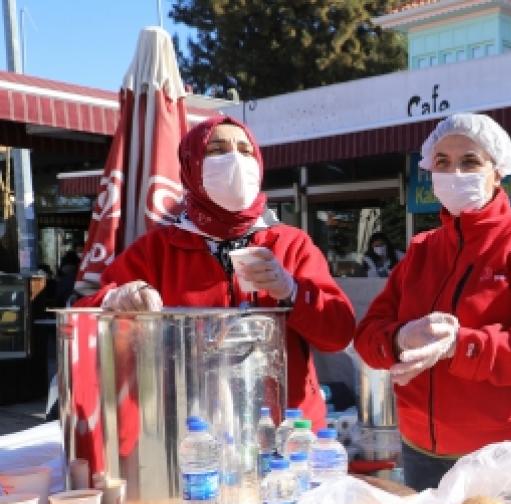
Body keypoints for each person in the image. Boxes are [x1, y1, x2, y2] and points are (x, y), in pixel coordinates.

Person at [79, 115, 356, 427]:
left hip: (287, 431)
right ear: (192, 164)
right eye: (217, 150)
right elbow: (86, 315)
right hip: (190, 431)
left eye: (245, 150)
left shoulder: (291, 244)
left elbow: (339, 333)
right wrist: (116, 300)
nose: (235, 159)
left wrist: (292, 291)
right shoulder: (156, 250)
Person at [354, 113, 511, 491]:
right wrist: (400, 338)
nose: (454, 173)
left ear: (498, 171)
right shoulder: (422, 250)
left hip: (505, 451)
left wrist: (461, 345)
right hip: (421, 450)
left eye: (470, 161)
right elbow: (367, 337)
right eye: (442, 162)